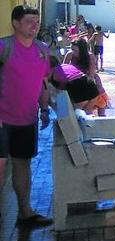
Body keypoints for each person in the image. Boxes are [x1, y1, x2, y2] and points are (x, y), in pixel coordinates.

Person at [0, 5, 52, 227]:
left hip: (27, 119)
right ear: (16, 23)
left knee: (23, 165)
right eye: (29, 21)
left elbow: (42, 83)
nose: (35, 25)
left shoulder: (42, 50)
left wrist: (44, 109)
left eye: (37, 21)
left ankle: (25, 212)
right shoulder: (4, 46)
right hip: (2, 120)